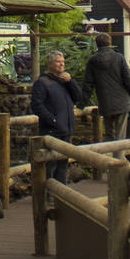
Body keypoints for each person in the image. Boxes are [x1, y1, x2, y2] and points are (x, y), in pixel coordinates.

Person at [30, 49, 83, 184]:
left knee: (63, 165)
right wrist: (53, 120)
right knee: (50, 165)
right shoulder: (42, 82)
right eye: (58, 62)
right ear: (50, 64)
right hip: (51, 131)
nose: (61, 65)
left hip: (66, 130)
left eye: (63, 62)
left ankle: (61, 196)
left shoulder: (65, 81)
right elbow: (37, 105)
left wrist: (71, 82)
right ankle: (47, 196)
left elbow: (78, 98)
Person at [82, 33, 130, 142]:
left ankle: (112, 158)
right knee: (121, 135)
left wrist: (82, 103)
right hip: (122, 102)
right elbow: (128, 79)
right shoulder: (119, 57)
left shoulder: (92, 60)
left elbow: (88, 84)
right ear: (110, 43)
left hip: (105, 103)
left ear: (97, 44)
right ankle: (119, 158)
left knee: (110, 135)